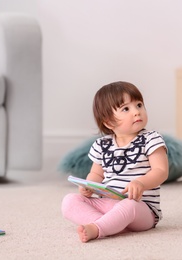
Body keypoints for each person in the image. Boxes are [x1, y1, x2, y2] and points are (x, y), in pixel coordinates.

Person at [61, 81, 168, 243]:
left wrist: (141, 183)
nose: (136, 112)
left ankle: (98, 229)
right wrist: (89, 185)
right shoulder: (101, 145)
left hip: (141, 209)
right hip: (109, 204)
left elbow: (161, 171)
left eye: (139, 105)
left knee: (128, 206)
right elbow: (96, 173)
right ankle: (113, 225)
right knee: (69, 201)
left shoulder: (151, 139)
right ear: (109, 122)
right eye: (126, 108)